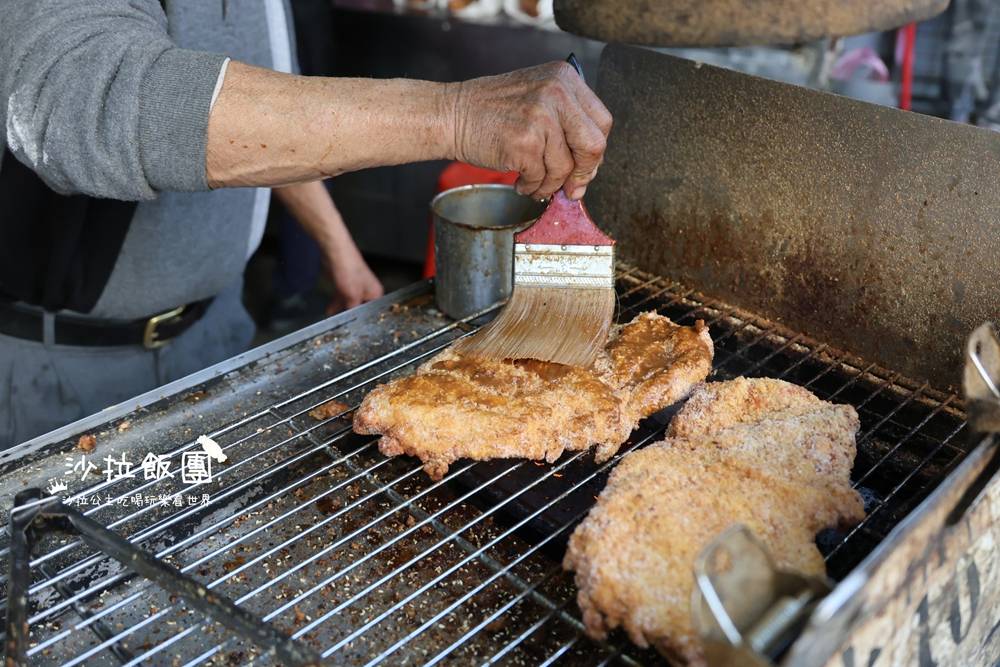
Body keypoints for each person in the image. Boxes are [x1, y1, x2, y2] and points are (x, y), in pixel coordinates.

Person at [0, 0, 612, 447]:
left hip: (218, 332)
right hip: (62, 369)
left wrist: (337, 249)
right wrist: (453, 114)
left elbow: (255, 116)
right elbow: (90, 96)